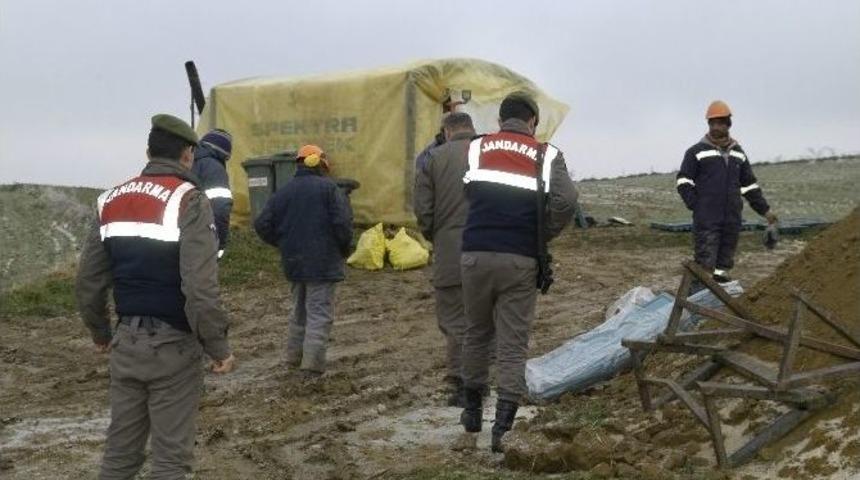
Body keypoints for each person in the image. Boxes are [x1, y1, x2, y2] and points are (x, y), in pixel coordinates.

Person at [75, 114, 235, 479]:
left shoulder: (109, 200)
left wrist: (100, 332)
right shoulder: (190, 200)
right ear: (188, 155)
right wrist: (217, 346)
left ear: (148, 153)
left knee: (120, 455)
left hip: (126, 342)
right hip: (173, 346)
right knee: (171, 460)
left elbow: (88, 281)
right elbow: (199, 287)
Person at [457, 92, 578, 452]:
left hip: (475, 253)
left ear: (500, 120)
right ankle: (502, 431)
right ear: (533, 122)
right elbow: (567, 201)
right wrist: (542, 233)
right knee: (512, 344)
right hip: (520, 258)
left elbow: (466, 191)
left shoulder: (477, 147)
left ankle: (471, 419)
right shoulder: (546, 154)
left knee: (476, 333)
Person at [254, 144, 353, 378]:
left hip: (294, 262)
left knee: (299, 312)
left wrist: (283, 244)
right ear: (321, 164)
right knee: (318, 312)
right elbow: (343, 225)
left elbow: (261, 224)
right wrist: (343, 249)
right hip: (323, 263)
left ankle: (293, 357)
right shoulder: (329, 189)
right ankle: (312, 365)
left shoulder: (283, 192)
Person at [676, 100, 778, 284]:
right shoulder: (696, 152)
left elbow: (749, 186)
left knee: (724, 265)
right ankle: (698, 297)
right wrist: (697, 205)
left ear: (728, 124)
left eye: (720, 123)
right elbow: (683, 181)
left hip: (732, 218)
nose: (716, 127)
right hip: (707, 220)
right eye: (713, 123)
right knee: (705, 263)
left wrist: (765, 211)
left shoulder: (738, 153)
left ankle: (720, 293)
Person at [413, 112, 476, 407]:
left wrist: (437, 236)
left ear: (447, 132)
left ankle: (463, 383)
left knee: (454, 320)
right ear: (471, 128)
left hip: (451, 250)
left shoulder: (432, 159)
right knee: (486, 316)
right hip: (493, 247)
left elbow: (423, 210)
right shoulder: (492, 152)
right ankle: (483, 377)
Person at [192, 128, 234, 259]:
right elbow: (220, 209)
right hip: (202, 240)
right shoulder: (214, 169)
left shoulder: (187, 161)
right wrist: (219, 244)